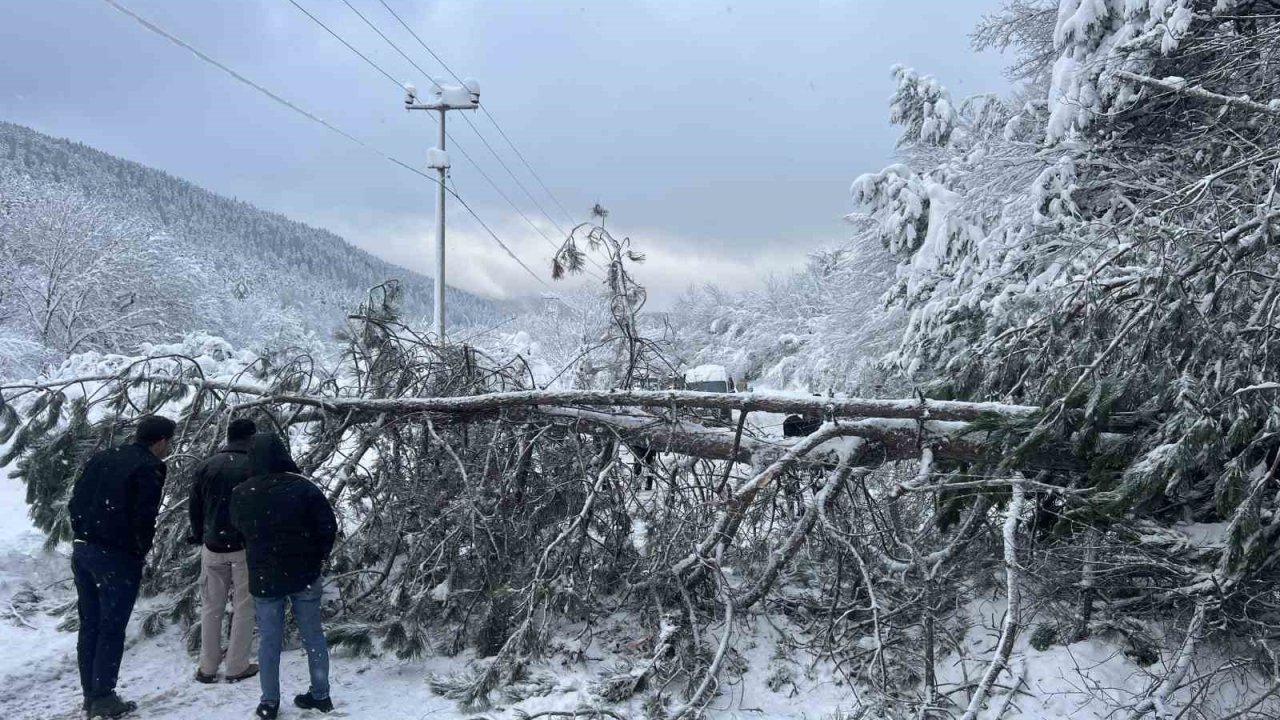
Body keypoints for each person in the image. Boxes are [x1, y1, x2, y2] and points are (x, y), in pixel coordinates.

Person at [68, 415, 176, 719]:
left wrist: (83, 532)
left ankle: (91, 694)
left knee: (90, 624)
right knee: (111, 627)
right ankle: (103, 696)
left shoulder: (103, 457)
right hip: (116, 556)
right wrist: (138, 550)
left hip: (82, 548)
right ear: (161, 442)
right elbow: (144, 517)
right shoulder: (149, 467)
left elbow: (75, 501)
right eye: (169, 442)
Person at [231, 433, 338, 719]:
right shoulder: (303, 488)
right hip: (304, 573)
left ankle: (269, 702)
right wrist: (317, 555)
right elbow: (328, 526)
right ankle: (321, 694)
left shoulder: (242, 493)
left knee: (269, 641)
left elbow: (238, 530)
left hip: (264, 577)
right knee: (313, 635)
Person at [188, 418, 259, 684]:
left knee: (211, 607)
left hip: (212, 545)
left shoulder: (206, 466)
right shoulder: (254, 466)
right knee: (244, 606)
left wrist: (198, 535)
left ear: (228, 436)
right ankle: (236, 665)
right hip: (243, 547)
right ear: (251, 437)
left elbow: (195, 507)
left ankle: (207, 667)